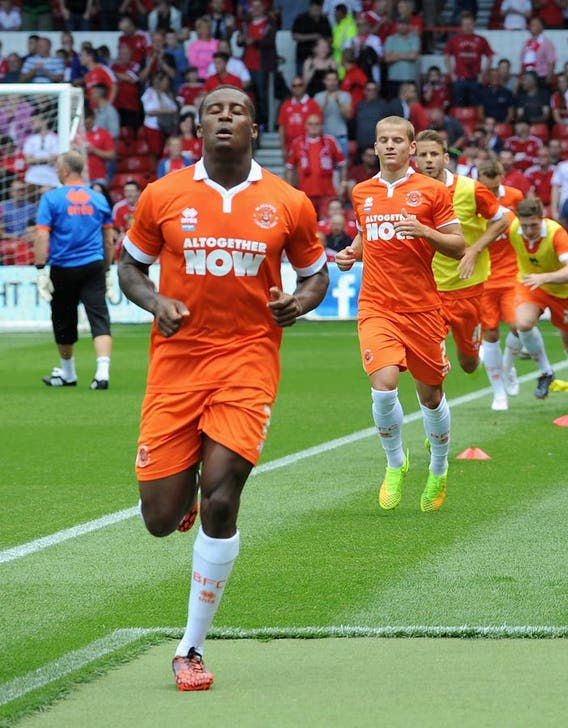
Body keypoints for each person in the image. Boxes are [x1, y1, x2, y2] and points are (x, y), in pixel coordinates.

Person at [116, 86, 329, 691]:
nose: (227, 117)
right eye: (216, 110)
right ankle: (176, 499)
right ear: (199, 128)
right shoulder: (164, 194)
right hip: (177, 364)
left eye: (238, 111)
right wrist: (156, 300)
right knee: (160, 519)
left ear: (255, 129)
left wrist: (298, 303)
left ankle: (190, 647)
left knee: (221, 496)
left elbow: (313, 276)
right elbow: (128, 266)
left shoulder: (287, 202)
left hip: (248, 360)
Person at [334, 117, 464, 515]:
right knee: (384, 386)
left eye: (397, 141)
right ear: (375, 147)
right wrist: (352, 252)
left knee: (431, 395)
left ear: (412, 147)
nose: (390, 146)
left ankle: (439, 469)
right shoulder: (362, 192)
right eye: (383, 141)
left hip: (422, 308)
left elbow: (458, 245)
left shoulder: (432, 191)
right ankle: (395, 464)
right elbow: (366, 231)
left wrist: (426, 233)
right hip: (376, 305)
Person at [415, 130, 511, 404]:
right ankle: (434, 422)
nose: (429, 160)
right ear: (415, 160)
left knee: (468, 363)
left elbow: (502, 220)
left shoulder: (470, 189)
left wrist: (474, 249)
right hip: (427, 290)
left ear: (445, 157)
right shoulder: (408, 193)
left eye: (434, 154)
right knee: (429, 366)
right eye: (423, 155)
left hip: (467, 288)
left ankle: (476, 354)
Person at [32, 152, 116, 389]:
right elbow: (108, 241)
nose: (56, 171)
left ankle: (68, 373)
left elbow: (41, 235)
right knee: (99, 317)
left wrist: (40, 269)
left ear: (66, 170)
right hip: (93, 265)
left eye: (58, 167)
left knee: (63, 320)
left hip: (63, 267)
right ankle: (102, 374)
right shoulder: (98, 199)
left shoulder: (52, 198)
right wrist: (108, 271)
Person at [505, 198, 568, 412]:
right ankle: (546, 372)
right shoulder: (513, 227)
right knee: (522, 323)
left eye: (534, 224)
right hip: (531, 284)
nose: (529, 230)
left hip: (563, 291)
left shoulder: (555, 233)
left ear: (542, 219)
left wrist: (546, 277)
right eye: (525, 225)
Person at [475, 158, 527, 410]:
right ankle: (498, 393)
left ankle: (508, 367)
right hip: (484, 276)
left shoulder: (516, 197)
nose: (492, 194)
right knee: (491, 332)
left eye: (496, 189)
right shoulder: (472, 198)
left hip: (512, 274)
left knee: (519, 326)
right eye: (488, 189)